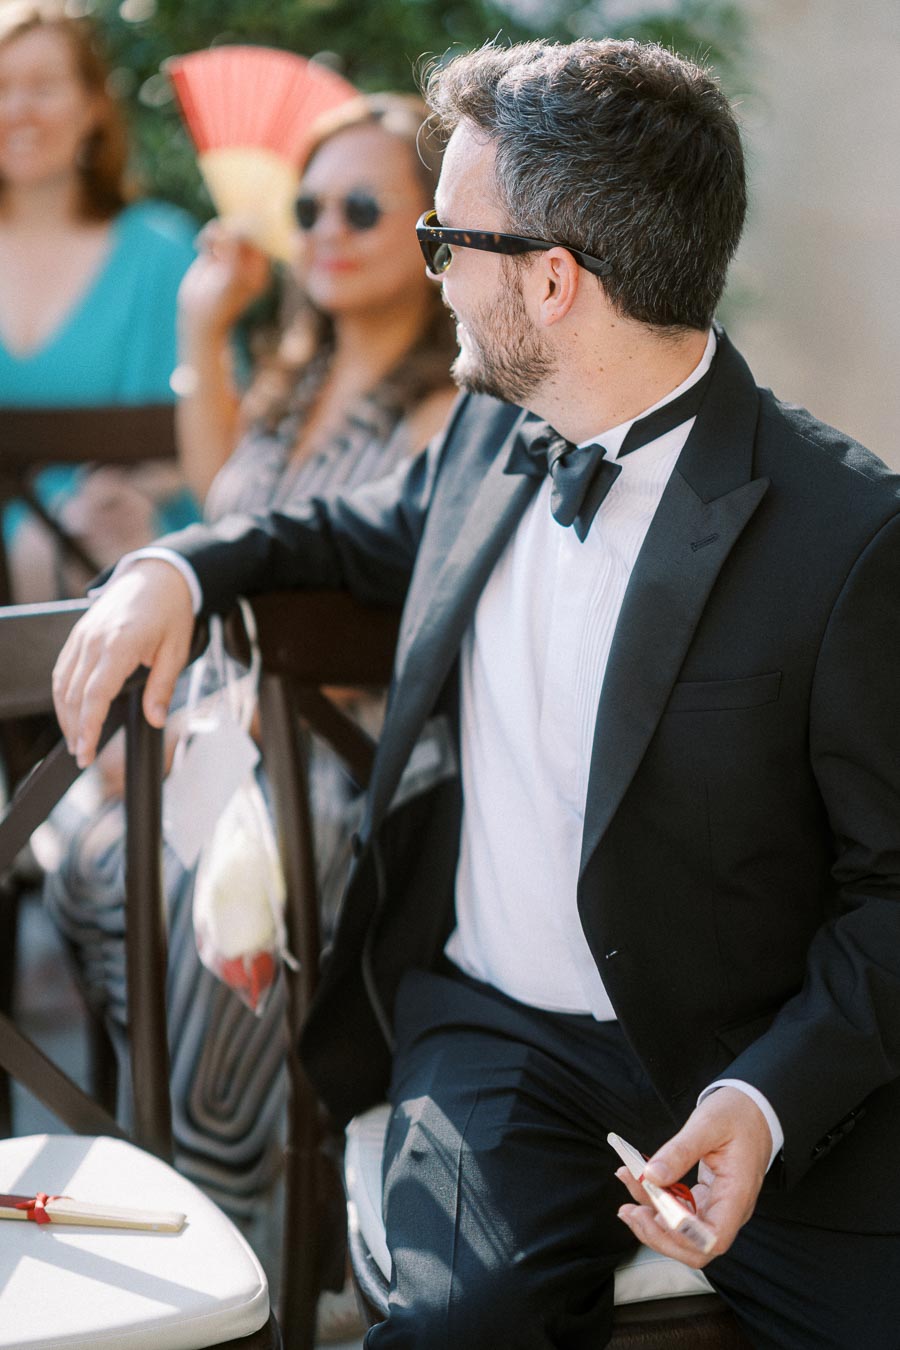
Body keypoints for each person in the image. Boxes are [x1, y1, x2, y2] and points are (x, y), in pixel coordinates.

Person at [52, 37, 900, 1350]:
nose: (430, 269)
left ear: (554, 280)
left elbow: (892, 885)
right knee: (455, 1329)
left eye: (448, 237)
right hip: (495, 1041)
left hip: (758, 1063)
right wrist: (170, 566)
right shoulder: (490, 439)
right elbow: (332, 534)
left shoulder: (850, 536)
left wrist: (770, 1099)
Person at [44, 89, 455, 1258]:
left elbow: (378, 631)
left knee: (191, 895)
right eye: (310, 204)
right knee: (83, 849)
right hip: (222, 736)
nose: (325, 227)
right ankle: (205, 1160)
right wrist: (200, 333)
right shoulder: (295, 376)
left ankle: (223, 1211)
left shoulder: (447, 412)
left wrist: (208, 744)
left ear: (437, 228)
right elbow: (223, 502)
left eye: (363, 204)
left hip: (344, 760)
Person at [0, 0, 198, 601]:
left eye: (43, 87)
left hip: (119, 541)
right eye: (1, 87)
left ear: (92, 107)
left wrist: (134, 491)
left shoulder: (162, 251)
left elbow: (211, 424)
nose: (17, 109)